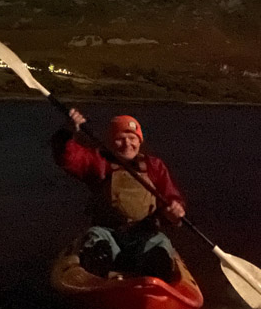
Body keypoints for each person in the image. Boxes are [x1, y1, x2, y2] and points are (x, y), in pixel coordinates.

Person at [51, 109, 186, 282]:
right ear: (110, 142)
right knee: (96, 243)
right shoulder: (98, 161)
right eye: (120, 138)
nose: (127, 143)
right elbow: (67, 157)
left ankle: (151, 276)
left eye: (132, 138)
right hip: (107, 233)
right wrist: (67, 132)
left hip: (145, 236)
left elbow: (171, 197)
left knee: (160, 247)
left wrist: (174, 211)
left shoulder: (154, 166)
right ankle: (99, 277)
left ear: (139, 141)